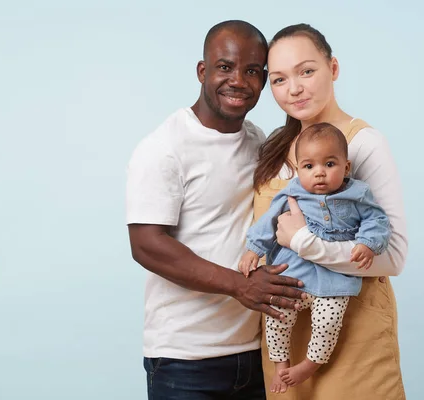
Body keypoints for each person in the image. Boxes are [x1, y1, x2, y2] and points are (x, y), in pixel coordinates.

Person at [126, 20, 306, 400]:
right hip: (185, 359)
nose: (238, 80)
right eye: (225, 67)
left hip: (257, 353)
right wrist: (241, 285)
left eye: (252, 71)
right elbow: (146, 245)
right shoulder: (164, 147)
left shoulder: (258, 141)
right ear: (202, 71)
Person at [253, 24, 408, 399]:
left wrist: (303, 242)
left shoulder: (362, 142)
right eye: (278, 79)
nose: (294, 88)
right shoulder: (275, 149)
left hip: (351, 336)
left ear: (333, 68)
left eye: (307, 71)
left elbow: (393, 256)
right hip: (285, 339)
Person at [239, 122, 391, 393]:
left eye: (329, 164)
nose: (319, 173)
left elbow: (377, 219)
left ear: (346, 167)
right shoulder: (292, 192)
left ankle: (310, 364)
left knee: (328, 323)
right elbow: (268, 222)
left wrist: (368, 244)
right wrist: (254, 249)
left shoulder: (357, 194)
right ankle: (281, 366)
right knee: (276, 318)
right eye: (309, 166)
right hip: (293, 275)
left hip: (334, 281)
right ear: (298, 169)